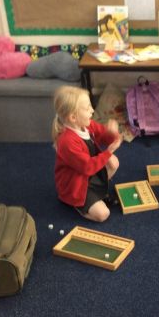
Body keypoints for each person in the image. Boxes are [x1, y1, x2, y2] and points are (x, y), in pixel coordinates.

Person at [52, 86, 123, 222]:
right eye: (87, 108)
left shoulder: (86, 125)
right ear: (73, 117)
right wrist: (109, 151)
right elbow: (87, 167)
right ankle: (77, 204)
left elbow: (103, 135)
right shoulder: (67, 141)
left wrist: (112, 133)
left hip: (88, 174)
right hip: (75, 185)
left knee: (113, 162)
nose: (92, 110)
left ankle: (97, 193)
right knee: (103, 215)